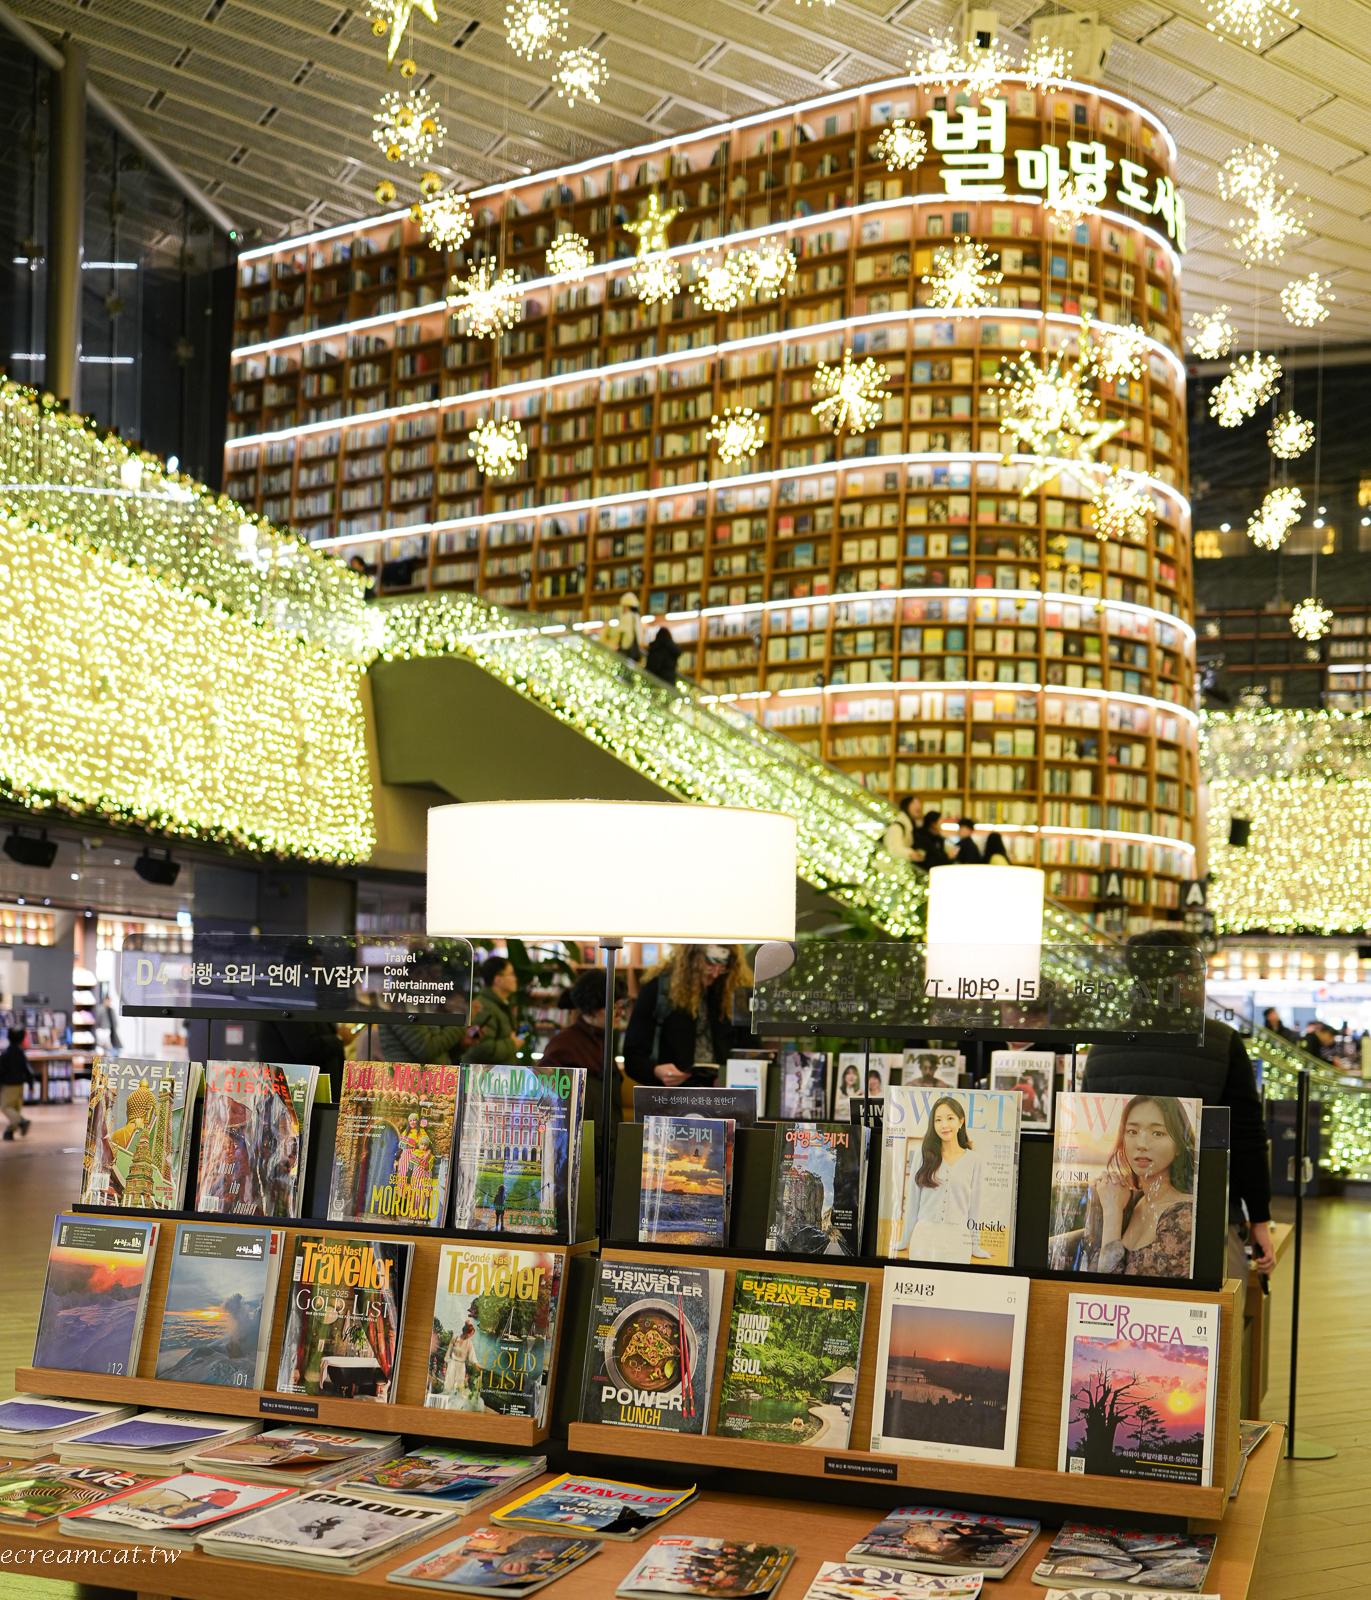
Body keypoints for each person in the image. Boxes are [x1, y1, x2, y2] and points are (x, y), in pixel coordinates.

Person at [1082, 929, 1275, 1279]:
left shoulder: (1102, 1048)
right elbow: (1246, 1139)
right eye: (1200, 974)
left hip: (1122, 1233)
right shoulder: (1221, 1043)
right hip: (1212, 1217)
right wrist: (1259, 1218)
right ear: (1181, 981)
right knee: (1217, 1322)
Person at [1076, 1093, 1197, 1276]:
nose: (1141, 1144)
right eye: (1132, 1131)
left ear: (1179, 1145)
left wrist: (1112, 1212)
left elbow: (1112, 1290)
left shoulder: (1183, 1215)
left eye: (1158, 1133)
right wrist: (1112, 1206)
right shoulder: (1135, 1201)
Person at [623, 944, 753, 1087]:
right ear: (691, 959)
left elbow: (752, 1050)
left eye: (723, 967)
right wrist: (655, 1071)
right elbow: (633, 1055)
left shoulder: (736, 991)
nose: (715, 973)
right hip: (672, 1097)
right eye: (709, 964)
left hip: (724, 1097)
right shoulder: (659, 988)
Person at [540, 968, 624, 1178]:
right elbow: (547, 1099)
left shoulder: (604, 1037)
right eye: (613, 1008)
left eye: (621, 1007)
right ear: (591, 1009)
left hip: (606, 1150)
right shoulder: (565, 1043)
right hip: (583, 1156)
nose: (620, 1014)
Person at [896, 1095, 988, 1262]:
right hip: (923, 1239)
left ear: (961, 1121)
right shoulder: (922, 1155)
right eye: (938, 1120)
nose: (944, 1125)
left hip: (958, 1242)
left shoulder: (975, 1160)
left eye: (950, 1118)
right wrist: (904, 1240)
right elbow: (912, 1203)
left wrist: (976, 1246)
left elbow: (974, 1208)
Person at [260, 1018, 348, 1100]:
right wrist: (339, 1039)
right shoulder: (293, 1005)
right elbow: (306, 1048)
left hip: (313, 1090)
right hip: (299, 1092)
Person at [462, 954, 523, 1066]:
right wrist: (512, 1044)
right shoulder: (484, 1007)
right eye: (511, 974)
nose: (515, 978)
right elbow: (481, 1047)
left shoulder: (499, 1004)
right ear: (498, 980)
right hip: (484, 1079)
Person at [0, 1027, 34, 1140]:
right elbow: (27, 1069)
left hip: (9, 1085)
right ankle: (10, 1131)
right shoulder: (21, 1053)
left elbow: (1, 1070)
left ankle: (21, 1122)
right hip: (20, 1084)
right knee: (15, 1108)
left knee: (6, 1107)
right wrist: (31, 1084)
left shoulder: (6, 1053)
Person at [600, 592, 643, 662]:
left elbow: (614, 632)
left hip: (626, 650)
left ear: (626, 606)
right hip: (633, 651)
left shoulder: (628, 616)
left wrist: (609, 628)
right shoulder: (637, 617)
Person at [882, 795, 923, 864]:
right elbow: (895, 849)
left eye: (919, 803)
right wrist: (911, 854)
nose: (918, 806)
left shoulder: (912, 826)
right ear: (906, 806)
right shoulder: (897, 827)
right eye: (914, 803)